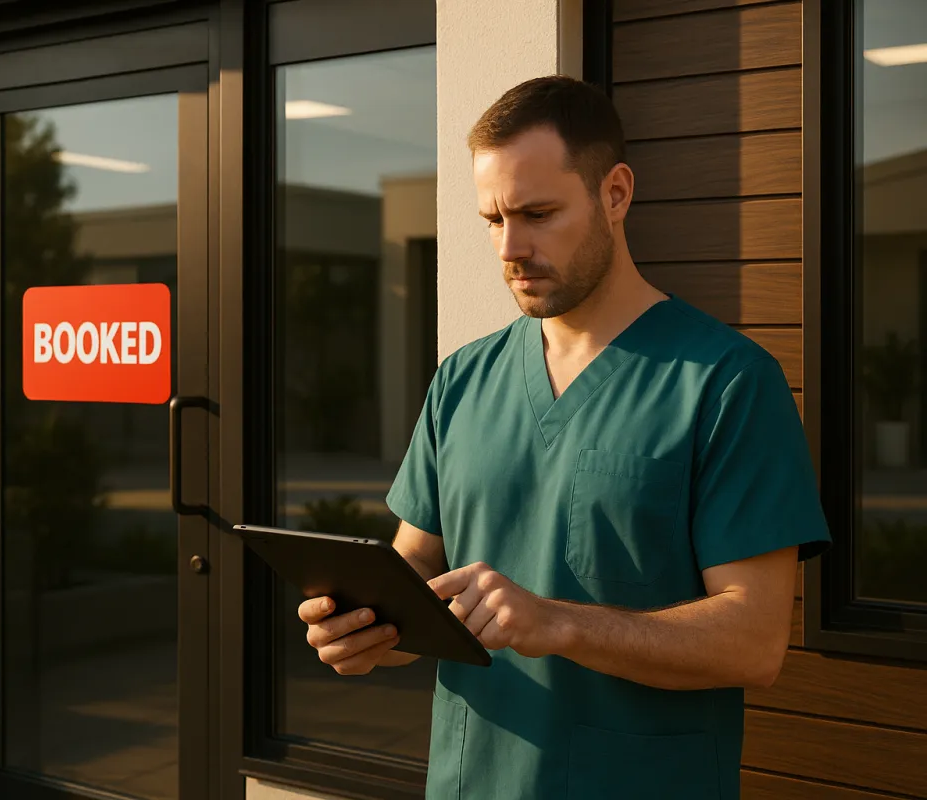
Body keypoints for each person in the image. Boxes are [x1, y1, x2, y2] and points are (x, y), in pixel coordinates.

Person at [297, 75, 831, 800]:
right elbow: (415, 576)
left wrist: (556, 622)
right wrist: (365, 632)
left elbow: (755, 642)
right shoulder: (462, 380)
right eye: (492, 219)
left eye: (538, 213)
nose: (510, 247)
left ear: (614, 194)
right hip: (470, 779)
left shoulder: (726, 382)